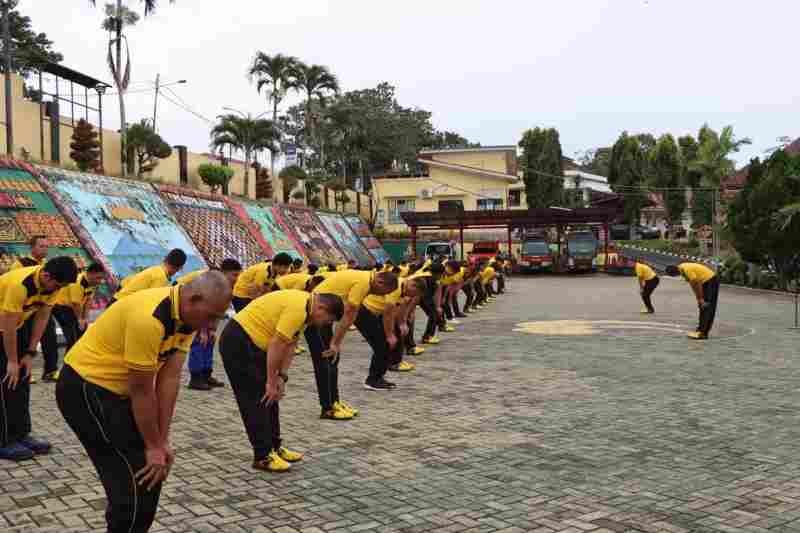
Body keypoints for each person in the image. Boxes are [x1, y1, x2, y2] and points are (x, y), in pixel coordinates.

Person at [57, 272, 232, 533]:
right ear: (194, 298)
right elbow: (142, 389)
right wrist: (152, 446)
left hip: (120, 391)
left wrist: (162, 441)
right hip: (86, 389)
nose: (211, 325)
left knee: (150, 473)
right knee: (135, 478)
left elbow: (169, 380)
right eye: (211, 317)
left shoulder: (186, 318)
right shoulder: (150, 318)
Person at [219, 290, 344, 472]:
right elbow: (277, 344)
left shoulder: (306, 309)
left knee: (272, 396)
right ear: (321, 307)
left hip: (255, 343)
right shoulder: (298, 309)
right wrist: (270, 381)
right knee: (256, 399)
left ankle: (274, 447)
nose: (326, 324)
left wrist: (281, 377)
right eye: (327, 320)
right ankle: (262, 456)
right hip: (238, 341)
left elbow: (291, 344)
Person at [0, 256, 78, 461]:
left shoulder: (53, 284)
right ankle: (4, 440)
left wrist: (30, 352)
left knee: (23, 379)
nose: (57, 290)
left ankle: (21, 433)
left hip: (18, 325)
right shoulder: (20, 285)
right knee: (6, 382)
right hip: (4, 327)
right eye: (57, 285)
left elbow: (43, 316)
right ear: (46, 275)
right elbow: (6, 327)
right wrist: (11, 361)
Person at [307, 270, 398, 414]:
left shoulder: (366, 279)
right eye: (382, 292)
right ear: (379, 282)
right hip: (316, 312)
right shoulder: (364, 283)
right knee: (328, 359)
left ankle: (335, 402)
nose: (381, 296)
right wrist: (335, 343)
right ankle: (328, 407)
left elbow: (353, 312)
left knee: (332, 359)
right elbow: (350, 313)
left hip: (329, 307)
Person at [180, 259, 243, 391]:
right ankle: (195, 378)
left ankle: (206, 374)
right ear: (224, 273)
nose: (237, 279)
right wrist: (202, 331)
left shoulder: (225, 284)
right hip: (186, 306)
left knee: (210, 340)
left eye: (239, 275)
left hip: (201, 311)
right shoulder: (210, 282)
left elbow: (217, 311)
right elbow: (201, 309)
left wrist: (212, 330)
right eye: (234, 275)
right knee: (199, 341)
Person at [10, 236, 60, 384]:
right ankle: (25, 371)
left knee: (50, 337)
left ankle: (50, 370)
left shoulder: (48, 265)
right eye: (41, 246)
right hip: (25, 309)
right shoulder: (20, 264)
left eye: (46, 246)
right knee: (24, 340)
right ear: (32, 248)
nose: (45, 249)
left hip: (42, 307)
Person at [44, 263, 106, 374]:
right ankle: (68, 367)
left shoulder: (92, 283)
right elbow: (75, 303)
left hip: (73, 307)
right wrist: (79, 319)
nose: (100, 281)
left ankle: (77, 363)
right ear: (90, 273)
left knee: (81, 333)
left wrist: (85, 318)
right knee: (73, 335)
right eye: (98, 277)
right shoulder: (78, 282)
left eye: (101, 278)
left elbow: (88, 300)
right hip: (61, 306)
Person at [362, 276, 426, 381]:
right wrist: (389, 335)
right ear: (412, 285)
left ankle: (382, 373)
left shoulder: (403, 288)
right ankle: (375, 379)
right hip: (367, 311)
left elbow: (398, 308)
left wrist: (402, 323)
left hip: (375, 312)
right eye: (413, 293)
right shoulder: (396, 286)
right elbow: (388, 313)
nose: (411, 296)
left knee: (387, 342)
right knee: (383, 344)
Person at [110, 248, 187, 306]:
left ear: (167, 259)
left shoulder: (155, 269)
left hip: (117, 299)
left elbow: (125, 281)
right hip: (122, 305)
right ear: (178, 268)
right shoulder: (161, 278)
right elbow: (150, 302)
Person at [665, 263, 719, 340]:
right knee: (702, 305)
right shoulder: (682, 268)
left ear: (675, 273)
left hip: (710, 280)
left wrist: (700, 299)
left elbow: (697, 284)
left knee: (706, 306)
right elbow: (693, 285)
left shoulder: (686, 270)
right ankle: (701, 329)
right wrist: (699, 298)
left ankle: (703, 333)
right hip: (706, 281)